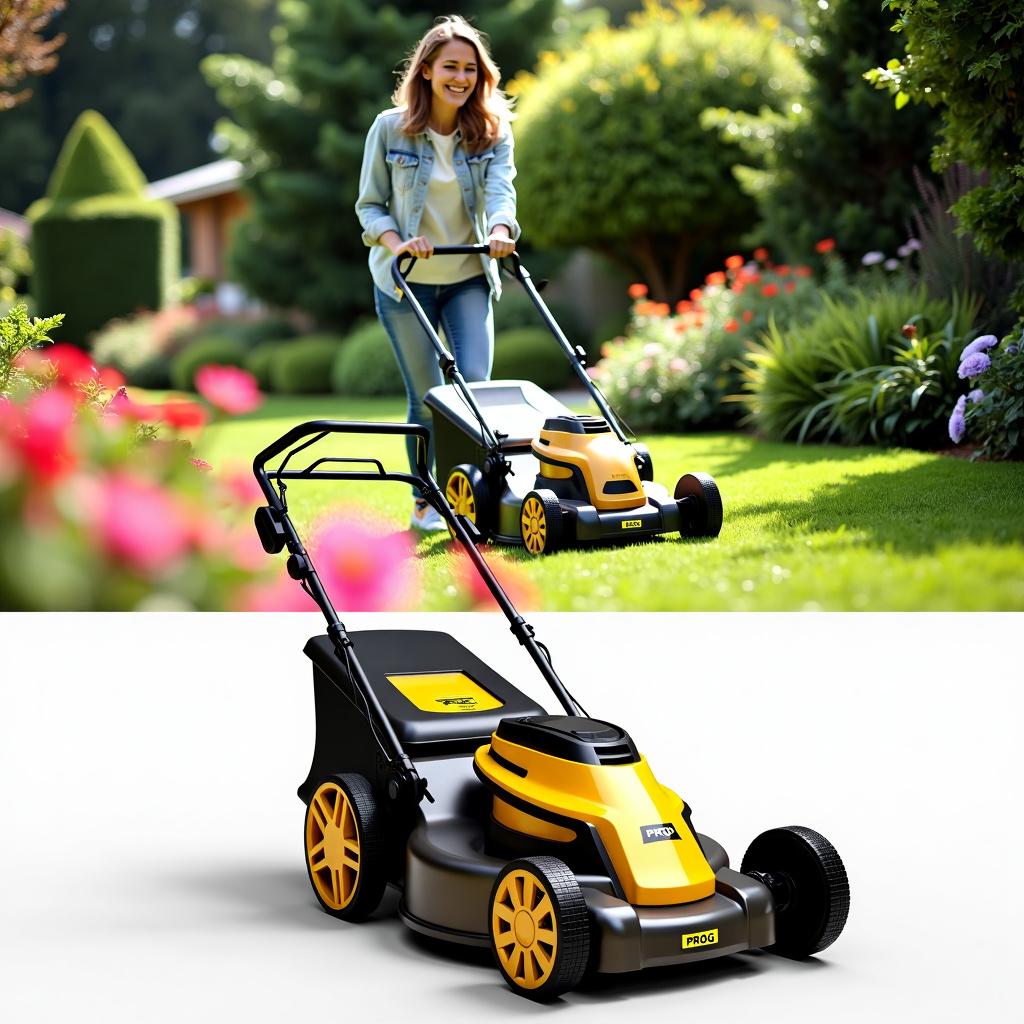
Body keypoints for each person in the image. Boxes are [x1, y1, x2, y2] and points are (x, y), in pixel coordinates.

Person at [355, 15, 519, 531]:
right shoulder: (389, 128)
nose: (461, 77)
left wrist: (500, 226)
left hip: (469, 273)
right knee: (427, 399)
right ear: (426, 70)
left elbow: (501, 189)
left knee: (475, 389)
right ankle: (427, 500)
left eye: (470, 69)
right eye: (450, 66)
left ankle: (472, 497)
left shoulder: (491, 130)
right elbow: (370, 205)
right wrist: (399, 242)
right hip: (404, 283)